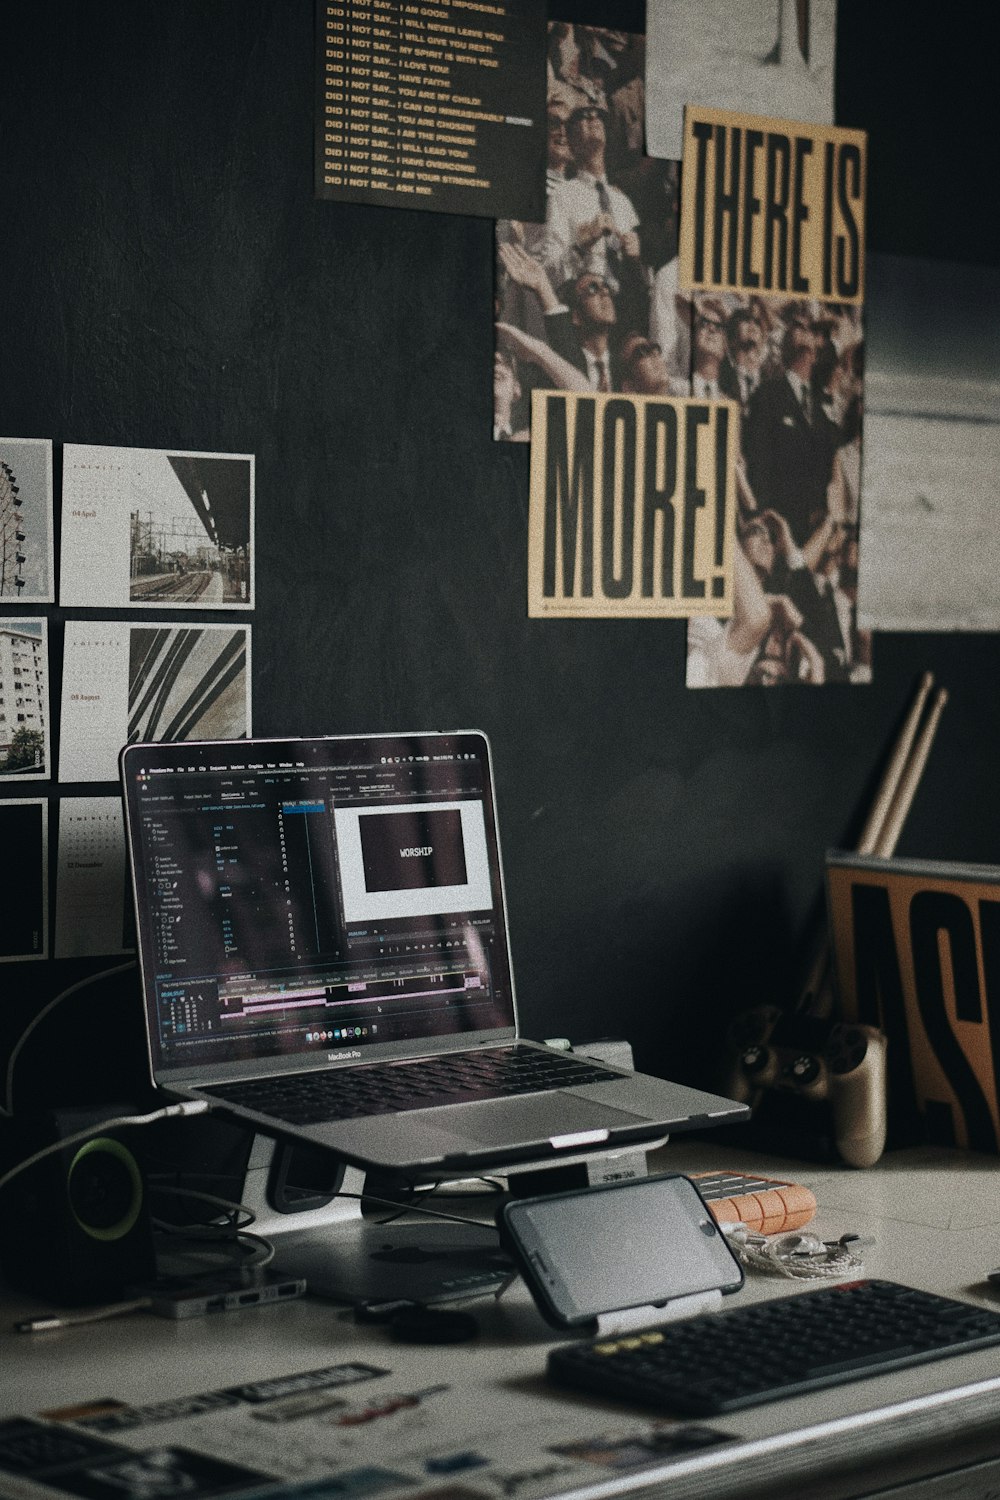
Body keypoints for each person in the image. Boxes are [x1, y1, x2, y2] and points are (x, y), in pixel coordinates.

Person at [743, 300, 840, 545]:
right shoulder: (767, 394)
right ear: (783, 346)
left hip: (811, 534)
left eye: (810, 329)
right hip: (776, 527)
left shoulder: (821, 412)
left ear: (817, 353)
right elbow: (758, 460)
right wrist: (764, 520)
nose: (803, 328)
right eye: (796, 326)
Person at [540, 103, 642, 295]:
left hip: (624, 306)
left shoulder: (623, 202)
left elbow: (642, 281)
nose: (593, 118)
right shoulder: (562, 196)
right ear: (571, 141)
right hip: (588, 307)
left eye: (598, 116)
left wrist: (635, 259)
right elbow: (548, 272)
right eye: (584, 116)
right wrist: (582, 244)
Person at [497, 241, 622, 392]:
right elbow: (564, 340)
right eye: (593, 288)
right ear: (576, 316)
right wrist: (542, 286)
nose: (605, 292)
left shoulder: (624, 366)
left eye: (606, 286)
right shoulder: (563, 362)